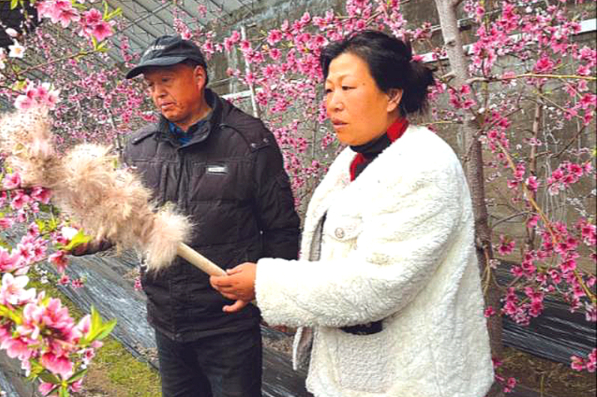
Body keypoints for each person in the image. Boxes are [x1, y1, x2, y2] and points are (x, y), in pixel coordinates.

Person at [211, 30, 494, 397]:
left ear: (392, 95)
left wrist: (267, 284)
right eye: (328, 90)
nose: (332, 103)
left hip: (409, 380)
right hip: (358, 370)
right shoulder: (354, 158)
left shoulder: (424, 165)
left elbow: (380, 281)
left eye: (347, 88)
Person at [121, 35, 301, 397]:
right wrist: (86, 238)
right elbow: (125, 218)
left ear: (198, 76)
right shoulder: (140, 148)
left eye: (167, 80)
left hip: (227, 323)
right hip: (166, 320)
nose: (158, 93)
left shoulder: (249, 140)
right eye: (151, 85)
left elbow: (281, 227)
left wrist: (266, 290)